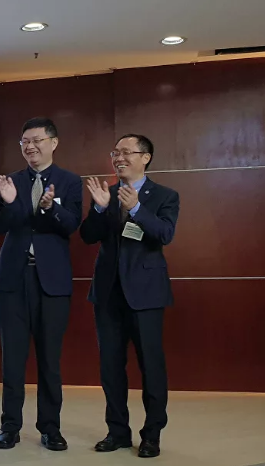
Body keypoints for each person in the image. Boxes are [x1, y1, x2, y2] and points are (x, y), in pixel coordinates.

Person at [80, 134, 177, 459]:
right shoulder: (105, 194)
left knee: (151, 366)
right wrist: (98, 208)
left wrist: (135, 207)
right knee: (110, 367)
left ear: (145, 157)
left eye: (126, 152)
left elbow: (164, 233)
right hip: (108, 294)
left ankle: (152, 435)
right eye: (115, 153)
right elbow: (88, 236)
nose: (118, 158)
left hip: (146, 294)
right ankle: (117, 432)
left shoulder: (164, 196)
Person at [0, 117, 81, 451]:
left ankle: (50, 428)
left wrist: (50, 208)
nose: (30, 147)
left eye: (36, 140)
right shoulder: (11, 181)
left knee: (49, 360)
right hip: (13, 280)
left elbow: (71, 225)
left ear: (53, 143)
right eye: (24, 141)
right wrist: (8, 202)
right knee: (12, 359)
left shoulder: (70, 181)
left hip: (52, 282)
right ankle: (10, 427)